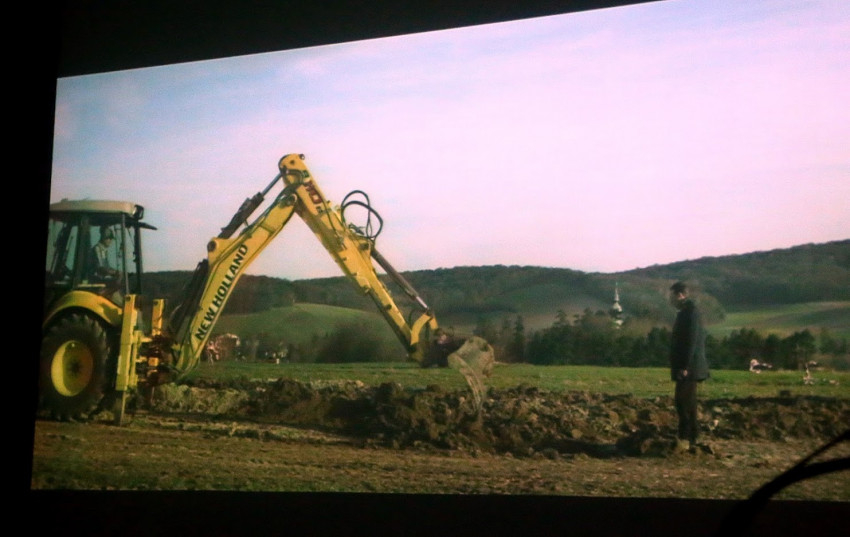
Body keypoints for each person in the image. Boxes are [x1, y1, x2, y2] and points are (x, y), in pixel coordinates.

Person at [668, 281, 710, 452]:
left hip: (689, 367)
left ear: (680, 295)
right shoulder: (688, 312)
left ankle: (685, 437)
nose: (670, 300)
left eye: (671, 296)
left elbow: (690, 341)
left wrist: (685, 366)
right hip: (689, 366)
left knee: (682, 402)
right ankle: (693, 437)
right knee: (689, 403)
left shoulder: (690, 313)